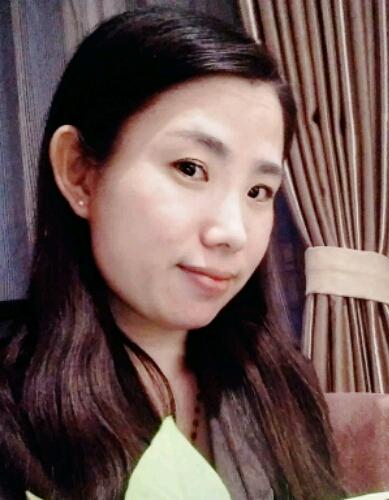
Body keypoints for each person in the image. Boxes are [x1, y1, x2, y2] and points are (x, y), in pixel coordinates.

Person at [0, 7, 343, 500]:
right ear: (79, 172)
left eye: (258, 191)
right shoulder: (11, 400)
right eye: (190, 168)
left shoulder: (282, 384)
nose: (232, 233)